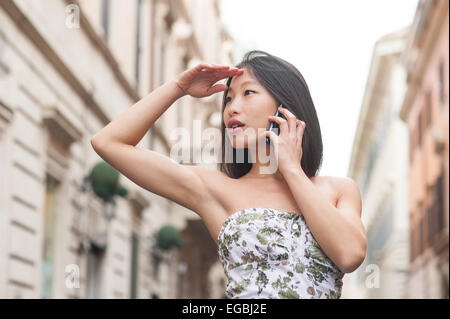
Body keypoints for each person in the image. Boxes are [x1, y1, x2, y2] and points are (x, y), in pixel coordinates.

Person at [91, 50, 367, 299]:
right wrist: (178, 88)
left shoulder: (339, 190)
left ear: (286, 107)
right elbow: (109, 143)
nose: (232, 107)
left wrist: (292, 169)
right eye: (229, 98)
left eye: (248, 93)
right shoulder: (213, 189)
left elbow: (349, 254)